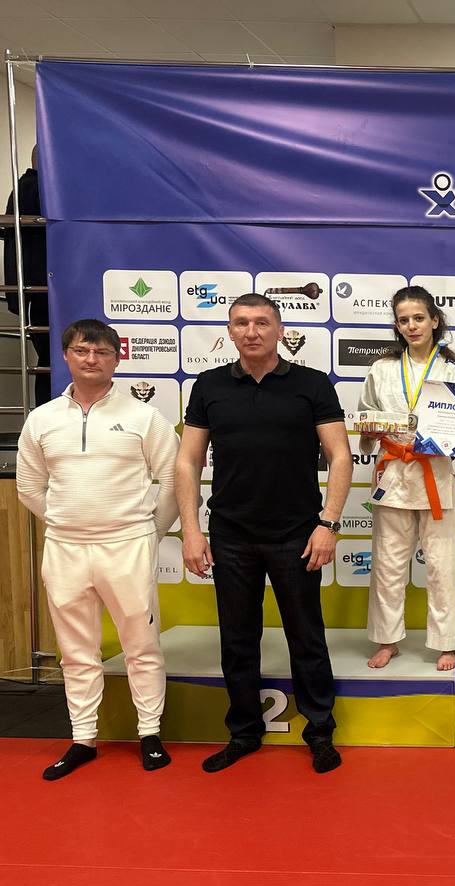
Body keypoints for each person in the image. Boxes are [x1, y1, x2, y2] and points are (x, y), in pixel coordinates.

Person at [176, 293, 352, 774]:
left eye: (261, 322)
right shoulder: (209, 386)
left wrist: (328, 524)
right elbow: (188, 461)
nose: (251, 331)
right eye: (241, 323)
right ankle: (244, 733)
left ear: (280, 330)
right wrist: (190, 531)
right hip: (230, 535)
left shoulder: (312, 384)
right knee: (237, 640)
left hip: (298, 534)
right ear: (229, 332)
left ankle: (319, 733)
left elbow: (340, 455)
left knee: (306, 638)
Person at [16, 319, 178, 779]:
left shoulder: (144, 417)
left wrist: (147, 534)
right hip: (65, 548)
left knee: (141, 645)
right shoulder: (42, 419)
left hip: (127, 546)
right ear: (66, 355)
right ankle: (82, 739)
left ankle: (150, 734)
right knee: (75, 651)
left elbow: (172, 481)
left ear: (117, 359)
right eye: (82, 350)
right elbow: (29, 487)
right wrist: (67, 521)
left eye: (103, 352)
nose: (92, 359)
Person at [356, 285, 455, 671]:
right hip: (393, 475)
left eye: (418, 318)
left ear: (434, 321)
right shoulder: (381, 369)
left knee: (443, 565)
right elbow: (365, 420)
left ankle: (446, 642)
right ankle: (387, 640)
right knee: (388, 565)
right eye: (403, 320)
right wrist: (370, 428)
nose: (411, 326)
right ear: (397, 326)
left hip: (436, 477)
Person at [3, 146, 50, 405]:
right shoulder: (39, 188)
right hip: (46, 288)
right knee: (53, 360)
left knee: (49, 359)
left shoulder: (22, 188)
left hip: (37, 290)